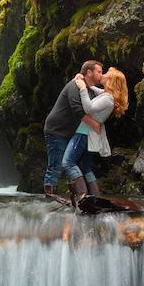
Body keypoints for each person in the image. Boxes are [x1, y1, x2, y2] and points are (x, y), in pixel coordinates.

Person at [61, 67, 129, 206]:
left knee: (68, 163)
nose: (102, 75)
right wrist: (82, 81)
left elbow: (88, 108)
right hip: (91, 134)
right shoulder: (108, 95)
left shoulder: (108, 98)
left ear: (111, 81)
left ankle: (84, 198)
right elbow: (93, 89)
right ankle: (96, 198)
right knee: (85, 168)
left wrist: (81, 88)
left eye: (106, 74)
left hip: (85, 132)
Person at [42, 61, 103, 197]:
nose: (101, 74)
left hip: (71, 132)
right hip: (56, 130)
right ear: (88, 72)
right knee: (56, 165)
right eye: (99, 71)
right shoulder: (74, 86)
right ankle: (49, 198)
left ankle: (84, 197)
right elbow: (77, 110)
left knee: (75, 164)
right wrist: (94, 124)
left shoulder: (90, 89)